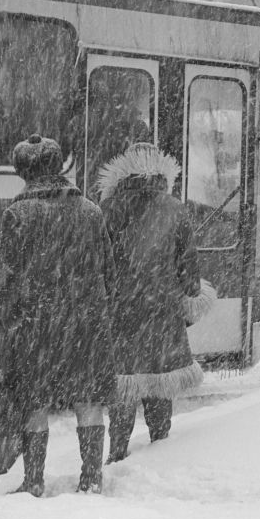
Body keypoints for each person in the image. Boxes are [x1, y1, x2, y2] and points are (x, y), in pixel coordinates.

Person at [0, 134, 117, 496]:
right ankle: (91, 478)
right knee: (88, 400)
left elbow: (8, 280)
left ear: (23, 171)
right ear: (59, 166)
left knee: (34, 403)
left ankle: (34, 481)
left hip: (37, 327)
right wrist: (93, 308)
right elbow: (109, 273)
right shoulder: (90, 211)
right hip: (86, 324)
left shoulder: (17, 215)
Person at [96, 142, 205, 463]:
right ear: (161, 171)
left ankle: (117, 451)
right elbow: (189, 267)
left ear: (123, 168)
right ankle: (160, 446)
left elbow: (98, 264)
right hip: (162, 311)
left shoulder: (108, 208)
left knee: (125, 385)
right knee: (160, 383)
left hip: (121, 311)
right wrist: (187, 306)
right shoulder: (175, 209)